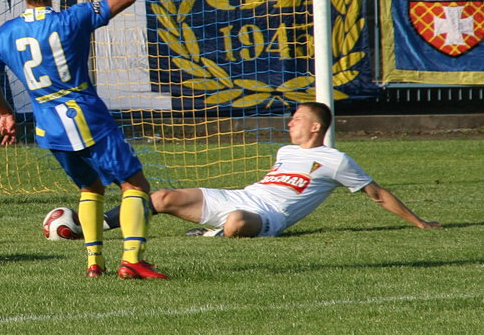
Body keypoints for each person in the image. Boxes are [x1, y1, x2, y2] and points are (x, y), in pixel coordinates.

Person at [0, 0, 168, 280]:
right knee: (135, 184)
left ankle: (94, 263)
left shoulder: (6, 33)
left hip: (48, 127)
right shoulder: (74, 18)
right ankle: (133, 260)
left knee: (91, 188)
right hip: (86, 116)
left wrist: (5, 113)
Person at [94, 103, 441, 238]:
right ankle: (90, 227)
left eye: (298, 119)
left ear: (317, 128)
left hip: (268, 215)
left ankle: (213, 235)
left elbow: (377, 195)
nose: (291, 122)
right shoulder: (285, 150)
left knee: (237, 223)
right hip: (242, 195)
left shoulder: (336, 160)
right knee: (161, 196)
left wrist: (420, 223)